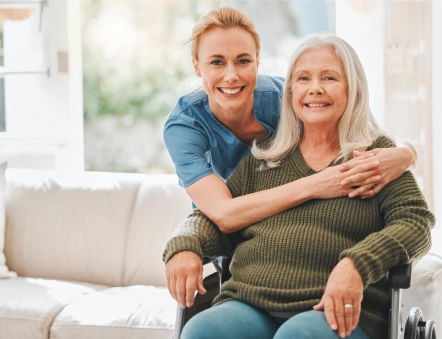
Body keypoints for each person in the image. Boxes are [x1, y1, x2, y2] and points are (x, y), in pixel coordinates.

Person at [163, 32, 435, 339]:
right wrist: (185, 245)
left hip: (330, 309)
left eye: (329, 77)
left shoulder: (374, 157)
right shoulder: (265, 157)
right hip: (249, 302)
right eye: (303, 78)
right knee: (202, 330)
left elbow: (416, 222)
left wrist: (356, 265)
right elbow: (213, 217)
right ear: (291, 91)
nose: (315, 89)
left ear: (353, 87)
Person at [163, 7, 416, 234]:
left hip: (287, 226)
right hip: (227, 235)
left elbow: (363, 128)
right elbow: (224, 214)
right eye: (217, 62)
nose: (231, 75)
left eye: (243, 61)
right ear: (197, 67)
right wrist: (318, 184)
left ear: (257, 61)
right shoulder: (185, 126)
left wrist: (407, 153)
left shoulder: (289, 98)